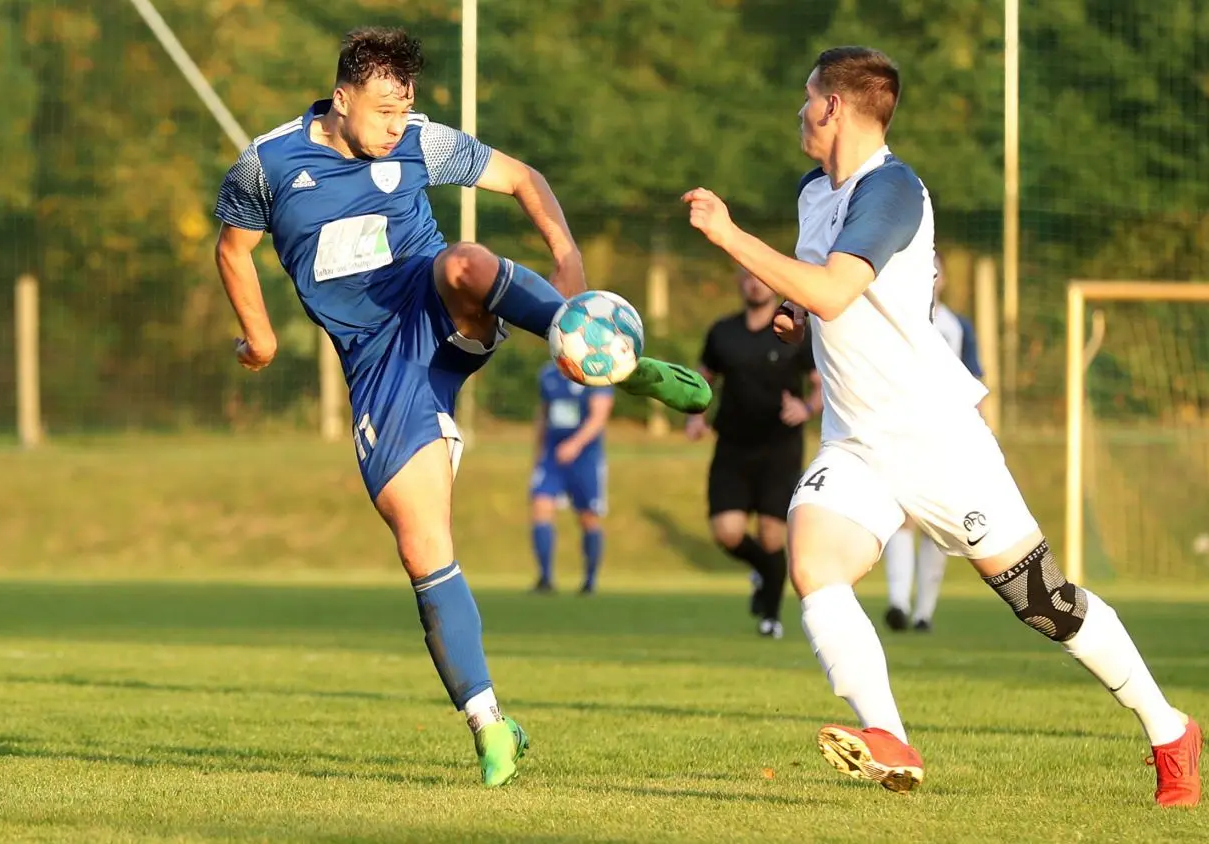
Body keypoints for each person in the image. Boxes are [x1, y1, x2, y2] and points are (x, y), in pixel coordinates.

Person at [681, 46, 1201, 804]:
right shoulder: (811, 190)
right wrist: (793, 318)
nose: (799, 110)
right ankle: (889, 735)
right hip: (857, 442)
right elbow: (824, 293)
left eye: (808, 97)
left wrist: (732, 237)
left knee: (1046, 604)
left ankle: (1168, 730)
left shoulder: (893, 190)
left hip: (935, 440)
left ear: (836, 108)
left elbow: (834, 290)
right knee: (813, 564)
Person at [212, 27, 709, 787]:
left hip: (438, 306)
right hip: (378, 365)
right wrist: (260, 339)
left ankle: (615, 360)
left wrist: (570, 271)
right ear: (340, 98)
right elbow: (232, 248)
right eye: (380, 111)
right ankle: (490, 723)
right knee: (421, 545)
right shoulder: (268, 162)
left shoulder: (419, 141)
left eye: (402, 110)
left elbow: (525, 179)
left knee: (463, 260)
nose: (392, 126)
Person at [686, 269, 822, 638]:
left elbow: (820, 388)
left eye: (759, 277)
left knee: (772, 537)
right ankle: (765, 570)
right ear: (738, 283)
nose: (753, 282)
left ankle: (771, 617)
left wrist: (806, 410)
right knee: (727, 532)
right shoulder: (722, 332)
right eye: (746, 277)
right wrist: (696, 417)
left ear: (772, 283)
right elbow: (701, 380)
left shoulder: (793, 332)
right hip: (732, 446)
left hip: (779, 448)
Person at [881, 252, 982, 633]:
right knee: (904, 515)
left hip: (946, 432)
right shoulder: (894, 316)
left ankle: (923, 612)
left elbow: (974, 381)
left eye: (936, 271)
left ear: (943, 281)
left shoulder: (957, 327)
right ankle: (897, 602)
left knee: (938, 523)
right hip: (902, 428)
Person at [530, 361, 613, 594]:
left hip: (585, 457)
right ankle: (545, 578)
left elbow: (599, 417)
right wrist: (538, 452)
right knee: (541, 506)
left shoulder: (595, 374)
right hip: (552, 454)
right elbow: (544, 414)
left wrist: (575, 444)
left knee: (588, 518)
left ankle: (589, 580)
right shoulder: (547, 374)